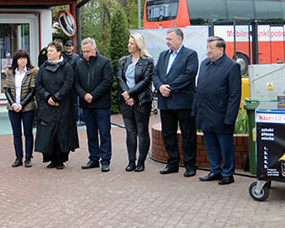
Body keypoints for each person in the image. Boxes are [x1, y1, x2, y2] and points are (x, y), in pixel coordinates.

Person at [193, 36, 242, 185]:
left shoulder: (232, 66)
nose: (208, 51)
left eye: (211, 48)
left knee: (225, 146)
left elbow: (235, 95)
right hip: (205, 113)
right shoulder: (204, 64)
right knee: (210, 144)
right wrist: (195, 109)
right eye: (207, 48)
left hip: (221, 114)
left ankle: (228, 173)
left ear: (221, 49)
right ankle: (215, 170)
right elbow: (199, 89)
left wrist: (229, 117)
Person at [152, 28, 199, 176]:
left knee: (188, 134)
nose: (167, 42)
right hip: (165, 102)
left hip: (183, 101)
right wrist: (160, 86)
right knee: (168, 134)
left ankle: (190, 165)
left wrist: (170, 88)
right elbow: (155, 73)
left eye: (170, 39)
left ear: (179, 39)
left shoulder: (190, 55)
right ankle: (172, 163)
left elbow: (189, 74)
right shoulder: (163, 55)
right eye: (166, 39)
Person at [34, 41, 79, 169]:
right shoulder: (43, 68)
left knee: (62, 132)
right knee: (48, 133)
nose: (48, 53)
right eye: (48, 51)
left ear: (59, 53)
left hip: (63, 105)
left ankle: (60, 159)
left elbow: (68, 83)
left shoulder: (66, 67)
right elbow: (38, 85)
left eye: (51, 51)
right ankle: (51, 159)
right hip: (47, 106)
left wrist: (56, 97)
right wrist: (48, 97)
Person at [74, 37, 114, 171]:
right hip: (86, 105)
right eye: (83, 51)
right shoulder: (79, 64)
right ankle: (93, 158)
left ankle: (105, 160)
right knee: (91, 133)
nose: (85, 54)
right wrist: (84, 95)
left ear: (95, 50)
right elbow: (76, 83)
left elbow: (107, 82)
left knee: (104, 133)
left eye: (88, 51)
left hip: (101, 104)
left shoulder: (105, 62)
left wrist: (93, 95)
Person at [117, 34, 155, 172]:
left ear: (138, 45)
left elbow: (146, 81)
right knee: (130, 131)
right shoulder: (123, 61)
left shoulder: (148, 61)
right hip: (125, 100)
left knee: (141, 130)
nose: (129, 46)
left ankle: (141, 161)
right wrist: (126, 94)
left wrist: (131, 94)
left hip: (142, 101)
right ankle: (131, 161)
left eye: (131, 43)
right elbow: (120, 78)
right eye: (129, 43)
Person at [4, 49, 37, 168]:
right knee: (16, 134)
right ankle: (18, 157)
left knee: (28, 133)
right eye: (20, 58)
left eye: (25, 58)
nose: (23, 60)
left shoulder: (31, 73)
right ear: (16, 60)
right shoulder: (10, 73)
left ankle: (28, 157)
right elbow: (6, 90)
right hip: (13, 108)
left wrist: (22, 104)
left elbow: (33, 91)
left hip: (27, 107)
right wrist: (13, 104)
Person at [63, 40, 82, 124]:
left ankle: (76, 119)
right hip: (64, 83)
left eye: (69, 46)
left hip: (74, 84)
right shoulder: (61, 56)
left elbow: (78, 69)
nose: (68, 47)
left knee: (75, 102)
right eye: (66, 46)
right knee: (65, 102)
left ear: (73, 47)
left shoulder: (76, 57)